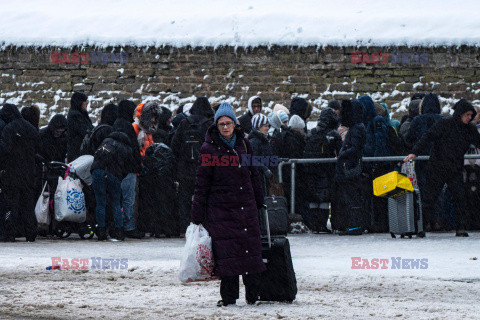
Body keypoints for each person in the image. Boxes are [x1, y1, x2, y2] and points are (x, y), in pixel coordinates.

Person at [191, 102, 265, 307]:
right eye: (221, 123)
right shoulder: (208, 149)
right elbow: (201, 183)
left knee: (251, 252)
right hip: (222, 209)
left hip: (246, 206)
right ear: (216, 125)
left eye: (228, 123)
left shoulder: (244, 144)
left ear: (235, 124)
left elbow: (254, 175)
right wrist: (197, 215)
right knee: (228, 255)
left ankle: (254, 295)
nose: (225, 127)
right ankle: (229, 297)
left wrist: (259, 200)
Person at [405, 99, 480, 237]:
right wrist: (415, 152)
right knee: (429, 198)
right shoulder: (445, 124)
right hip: (437, 167)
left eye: (471, 115)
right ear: (460, 114)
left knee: (459, 197)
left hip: (455, 168)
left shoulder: (470, 130)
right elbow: (428, 136)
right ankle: (421, 227)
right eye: (467, 115)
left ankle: (460, 228)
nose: (470, 118)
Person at [171, 97, 214, 234]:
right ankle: (205, 226)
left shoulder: (185, 123)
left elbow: (174, 145)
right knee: (205, 198)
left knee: (184, 200)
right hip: (204, 168)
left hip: (185, 169)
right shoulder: (210, 125)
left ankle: (185, 228)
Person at [0, 104, 40, 242]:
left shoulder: (9, 129)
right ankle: (31, 232)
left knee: (11, 204)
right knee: (28, 204)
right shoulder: (30, 127)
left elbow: (4, 150)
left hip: (12, 173)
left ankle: (9, 233)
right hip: (29, 172)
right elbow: (37, 148)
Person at [91, 130, 136, 241]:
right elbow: (128, 167)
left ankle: (101, 231)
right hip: (113, 174)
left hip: (97, 171)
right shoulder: (126, 148)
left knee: (100, 202)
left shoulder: (105, 141)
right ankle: (119, 231)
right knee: (116, 203)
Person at [303, 108, 342, 232]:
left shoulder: (311, 133)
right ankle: (322, 225)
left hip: (310, 170)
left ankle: (314, 225)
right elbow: (340, 152)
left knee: (313, 197)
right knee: (324, 198)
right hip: (326, 170)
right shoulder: (333, 135)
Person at [333, 99, 366, 235]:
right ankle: (353, 225)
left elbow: (355, 148)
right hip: (350, 168)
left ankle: (354, 226)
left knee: (351, 198)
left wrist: (342, 154)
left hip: (350, 169)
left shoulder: (357, 128)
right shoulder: (357, 127)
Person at [113, 100, 143, 239]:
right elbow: (131, 147)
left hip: (120, 167)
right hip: (128, 167)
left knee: (121, 198)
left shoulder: (118, 124)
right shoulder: (125, 125)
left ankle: (120, 225)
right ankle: (128, 226)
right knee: (128, 199)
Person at [248, 113, 274, 193]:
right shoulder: (254, 141)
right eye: (265, 126)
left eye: (268, 126)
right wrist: (264, 169)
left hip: (264, 177)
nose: (268, 128)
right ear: (258, 127)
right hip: (258, 177)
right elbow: (252, 159)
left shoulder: (264, 139)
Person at [67, 91, 92, 162]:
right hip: (77, 154)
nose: (87, 103)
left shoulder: (81, 115)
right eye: (85, 101)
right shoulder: (75, 116)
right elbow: (85, 131)